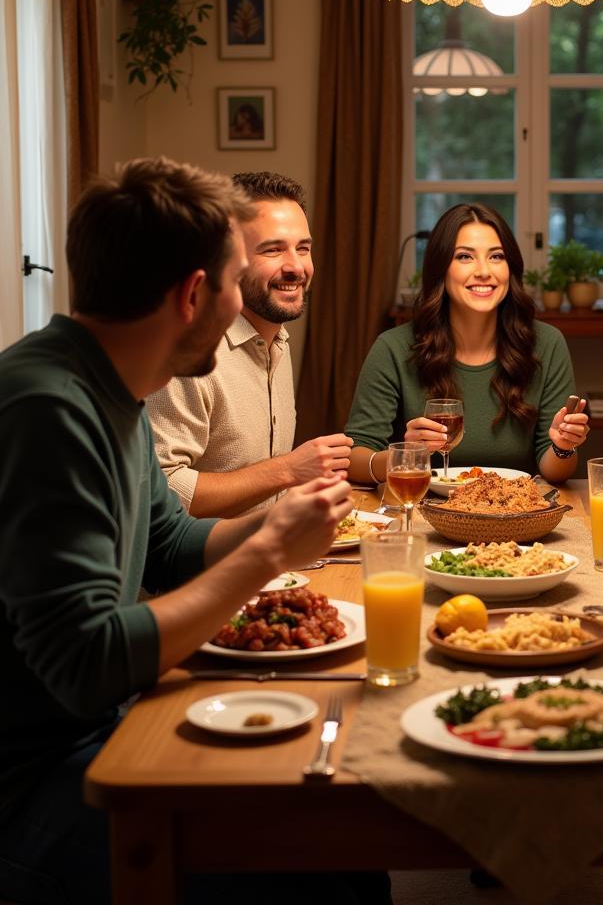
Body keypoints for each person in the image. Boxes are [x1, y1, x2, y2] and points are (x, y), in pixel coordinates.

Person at [0, 158, 386, 904]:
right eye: (237, 278)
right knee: (314, 858)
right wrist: (271, 549)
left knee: (338, 806)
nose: (246, 299)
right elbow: (88, 662)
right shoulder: (47, 410)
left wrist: (285, 518)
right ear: (193, 295)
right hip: (37, 784)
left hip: (100, 723)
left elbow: (174, 545)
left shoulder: (114, 391)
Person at [147, 172, 353, 518]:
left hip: (272, 557)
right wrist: (288, 469)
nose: (296, 267)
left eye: (303, 248)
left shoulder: (276, 338)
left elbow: (260, 490)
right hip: (204, 567)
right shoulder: (189, 355)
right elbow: (165, 492)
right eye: (272, 250)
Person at [346, 203, 589, 484]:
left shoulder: (546, 344)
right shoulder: (393, 348)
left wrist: (562, 447)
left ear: (510, 267)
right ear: (441, 268)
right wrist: (405, 456)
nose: (484, 271)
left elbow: (556, 471)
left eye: (496, 256)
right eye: (465, 257)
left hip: (516, 513)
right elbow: (354, 457)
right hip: (423, 512)